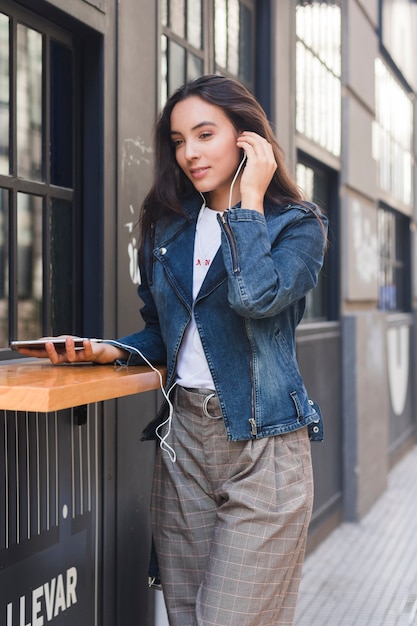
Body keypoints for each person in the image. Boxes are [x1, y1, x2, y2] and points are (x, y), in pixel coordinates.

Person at [18, 75, 328, 626]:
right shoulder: (170, 227)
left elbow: (255, 297)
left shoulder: (297, 226)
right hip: (183, 441)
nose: (189, 153)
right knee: (186, 615)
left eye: (205, 134)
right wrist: (106, 351)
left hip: (265, 446)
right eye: (179, 141)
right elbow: (166, 336)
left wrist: (249, 202)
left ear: (247, 137)